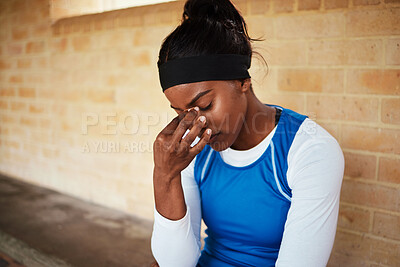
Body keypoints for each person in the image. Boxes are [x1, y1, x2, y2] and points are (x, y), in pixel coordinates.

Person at [150, 0, 345, 266]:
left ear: (243, 82)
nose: (196, 124)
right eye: (182, 113)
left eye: (205, 105)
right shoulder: (192, 151)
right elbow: (175, 263)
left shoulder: (310, 150)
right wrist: (165, 176)